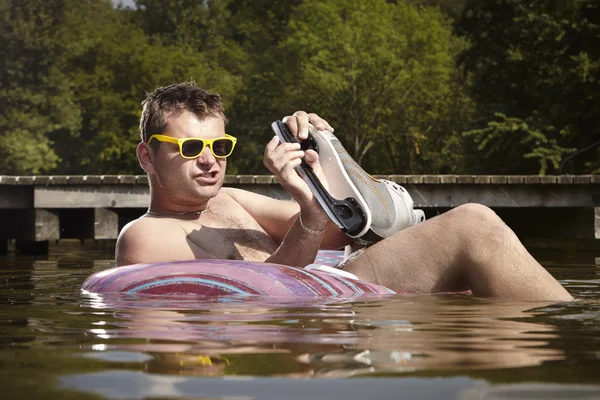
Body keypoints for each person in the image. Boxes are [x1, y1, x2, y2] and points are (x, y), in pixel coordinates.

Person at [116, 81, 573, 302]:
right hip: (326, 304)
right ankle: (573, 339)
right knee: (474, 223)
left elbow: (335, 235)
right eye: (191, 146)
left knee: (475, 289)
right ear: (147, 157)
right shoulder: (145, 235)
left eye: (219, 145)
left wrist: (324, 162)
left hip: (337, 291)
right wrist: (309, 215)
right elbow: (264, 293)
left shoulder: (229, 199)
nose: (210, 159)